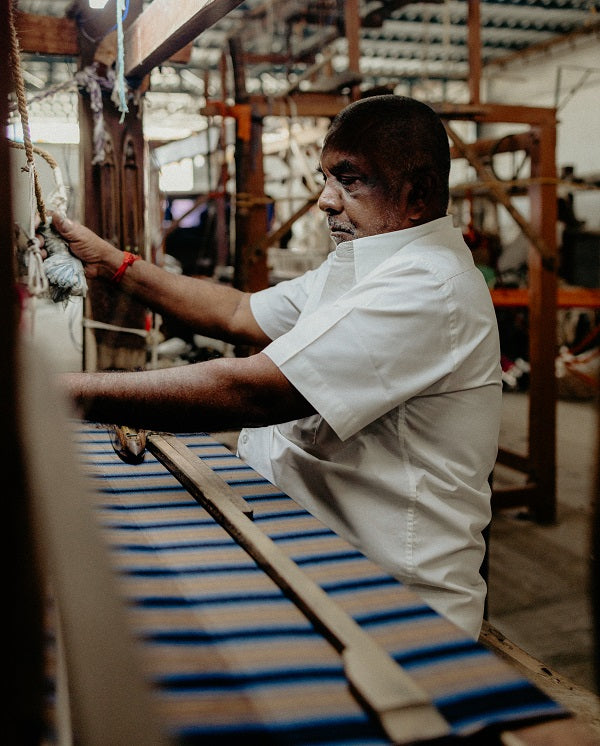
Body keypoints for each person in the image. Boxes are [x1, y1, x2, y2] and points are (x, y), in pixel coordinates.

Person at [47, 95, 502, 640]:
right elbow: (238, 312)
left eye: (349, 181)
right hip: (315, 549)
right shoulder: (365, 264)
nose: (325, 201)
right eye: (326, 179)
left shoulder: (429, 286)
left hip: (391, 596)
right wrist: (113, 264)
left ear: (418, 194)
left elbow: (255, 393)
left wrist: (50, 392)